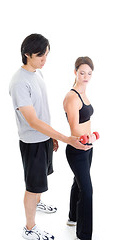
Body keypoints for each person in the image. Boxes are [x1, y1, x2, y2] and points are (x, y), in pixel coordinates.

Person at [9, 34, 90, 240]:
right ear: (27, 54)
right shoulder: (19, 82)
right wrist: (64, 137)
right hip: (32, 142)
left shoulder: (37, 74)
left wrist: (51, 136)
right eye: (40, 56)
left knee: (41, 179)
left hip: (43, 138)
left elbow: (42, 112)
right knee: (32, 185)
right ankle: (29, 227)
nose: (44, 60)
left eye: (46, 55)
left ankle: (37, 203)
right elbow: (33, 121)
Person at [63, 56, 96, 240]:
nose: (86, 76)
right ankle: (84, 235)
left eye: (89, 73)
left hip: (88, 147)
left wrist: (90, 138)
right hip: (77, 149)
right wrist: (86, 137)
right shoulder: (72, 96)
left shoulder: (84, 93)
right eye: (82, 72)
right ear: (75, 72)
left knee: (79, 182)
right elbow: (74, 128)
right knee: (87, 190)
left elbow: (86, 119)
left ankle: (72, 218)